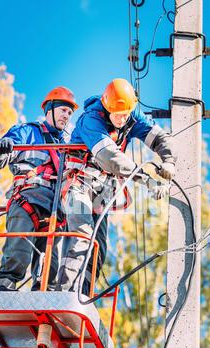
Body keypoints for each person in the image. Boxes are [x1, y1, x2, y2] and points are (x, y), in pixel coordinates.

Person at [58, 78, 176, 295]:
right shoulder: (91, 120)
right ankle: (65, 294)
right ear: (107, 107)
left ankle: (83, 295)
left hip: (101, 191)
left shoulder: (130, 117)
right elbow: (110, 158)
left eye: (126, 114)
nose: (123, 119)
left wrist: (168, 160)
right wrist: (147, 179)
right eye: (118, 115)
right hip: (78, 184)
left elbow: (160, 138)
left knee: (98, 247)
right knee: (82, 235)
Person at [0, 86, 78, 291]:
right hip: (27, 199)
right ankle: (4, 289)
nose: (67, 116)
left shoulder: (69, 145)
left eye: (70, 113)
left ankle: (44, 297)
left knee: (51, 264)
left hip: (55, 207)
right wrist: (0, 147)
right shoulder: (27, 132)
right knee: (18, 251)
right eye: (63, 110)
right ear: (49, 109)